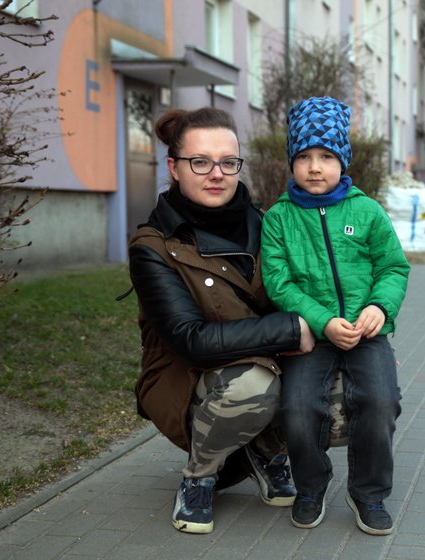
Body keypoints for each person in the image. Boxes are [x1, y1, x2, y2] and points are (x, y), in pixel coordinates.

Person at [127, 106, 316, 535]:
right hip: (187, 378)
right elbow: (189, 339)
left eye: (228, 162)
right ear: (174, 168)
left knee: (347, 383)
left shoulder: (268, 225)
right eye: (201, 162)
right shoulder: (154, 247)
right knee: (252, 383)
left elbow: (309, 292)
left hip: (267, 363)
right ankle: (201, 475)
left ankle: (266, 450)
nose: (217, 173)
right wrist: (290, 331)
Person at [260, 96, 410, 535]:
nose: (314, 167)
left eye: (326, 156)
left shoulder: (366, 211)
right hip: (311, 334)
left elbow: (393, 266)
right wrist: (322, 320)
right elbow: (278, 281)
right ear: (291, 162)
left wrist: (379, 307)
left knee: (381, 403)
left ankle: (369, 493)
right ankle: (311, 485)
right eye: (303, 156)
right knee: (298, 408)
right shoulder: (279, 219)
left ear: (342, 160)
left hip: (367, 332)